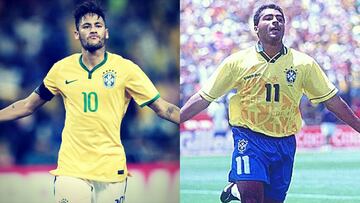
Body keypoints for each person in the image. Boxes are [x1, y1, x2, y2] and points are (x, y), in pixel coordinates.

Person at [0, 1, 179, 203]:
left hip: (111, 168)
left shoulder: (126, 69)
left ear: (106, 32)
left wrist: (187, 118)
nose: (93, 30)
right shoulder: (61, 69)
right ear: (76, 34)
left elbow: (164, 109)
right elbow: (27, 105)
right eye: (86, 26)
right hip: (72, 169)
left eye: (98, 25)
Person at [180, 3, 360, 203]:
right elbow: (204, 97)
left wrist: (358, 126)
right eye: (268, 18)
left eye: (279, 19)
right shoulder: (237, 62)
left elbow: (331, 100)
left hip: (284, 142)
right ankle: (243, 189)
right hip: (249, 138)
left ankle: (236, 189)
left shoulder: (304, 64)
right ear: (256, 28)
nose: (275, 21)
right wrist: (175, 118)